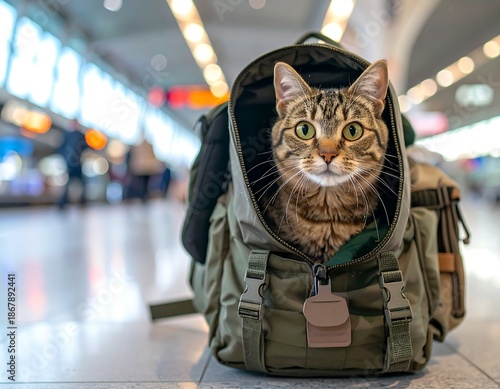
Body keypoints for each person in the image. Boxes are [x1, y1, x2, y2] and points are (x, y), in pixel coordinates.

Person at [57, 119, 89, 209]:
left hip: (76, 162)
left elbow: (85, 147)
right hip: (70, 162)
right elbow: (61, 148)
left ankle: (82, 201)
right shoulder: (67, 134)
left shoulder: (78, 135)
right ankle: (64, 202)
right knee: (71, 183)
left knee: (81, 182)